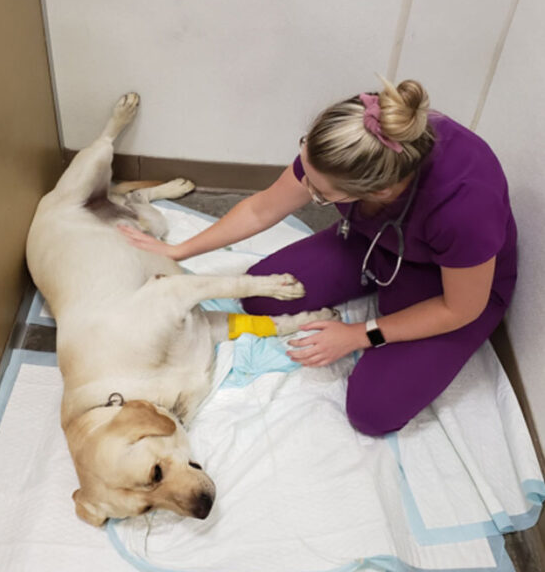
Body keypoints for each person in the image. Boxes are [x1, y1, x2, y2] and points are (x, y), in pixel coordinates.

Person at [119, 78, 517, 436]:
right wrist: (178, 249)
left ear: (375, 192)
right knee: (263, 298)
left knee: (373, 412)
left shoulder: (464, 204)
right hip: (374, 240)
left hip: (451, 289)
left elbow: (461, 307)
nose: (305, 189)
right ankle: (374, 275)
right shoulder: (356, 141)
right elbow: (262, 209)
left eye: (320, 195)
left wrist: (361, 334)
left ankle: (388, 307)